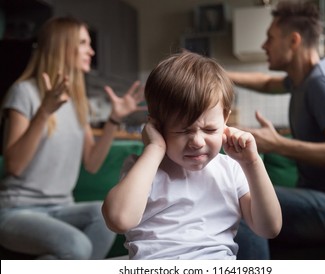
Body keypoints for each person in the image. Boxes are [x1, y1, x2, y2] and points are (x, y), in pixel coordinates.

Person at [101, 51, 282, 260]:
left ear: (225, 119)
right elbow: (118, 220)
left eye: (210, 130)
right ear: (157, 126)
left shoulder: (231, 169)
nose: (197, 141)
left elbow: (269, 228)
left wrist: (252, 162)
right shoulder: (144, 169)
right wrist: (154, 149)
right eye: (183, 130)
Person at [227, 0, 325, 259]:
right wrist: (217, 73)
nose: (264, 46)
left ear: (294, 41)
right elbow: (267, 82)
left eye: (270, 38)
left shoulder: (322, 83)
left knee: (244, 204)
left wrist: (277, 144)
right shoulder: (301, 80)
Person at [0, 16, 146, 259]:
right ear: (62, 46)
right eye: (83, 43)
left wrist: (113, 120)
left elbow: (92, 162)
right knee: (77, 245)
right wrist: (44, 112)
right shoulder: (24, 92)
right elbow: (14, 165)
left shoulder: (78, 101)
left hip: (62, 207)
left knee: (105, 216)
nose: (91, 50)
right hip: (16, 210)